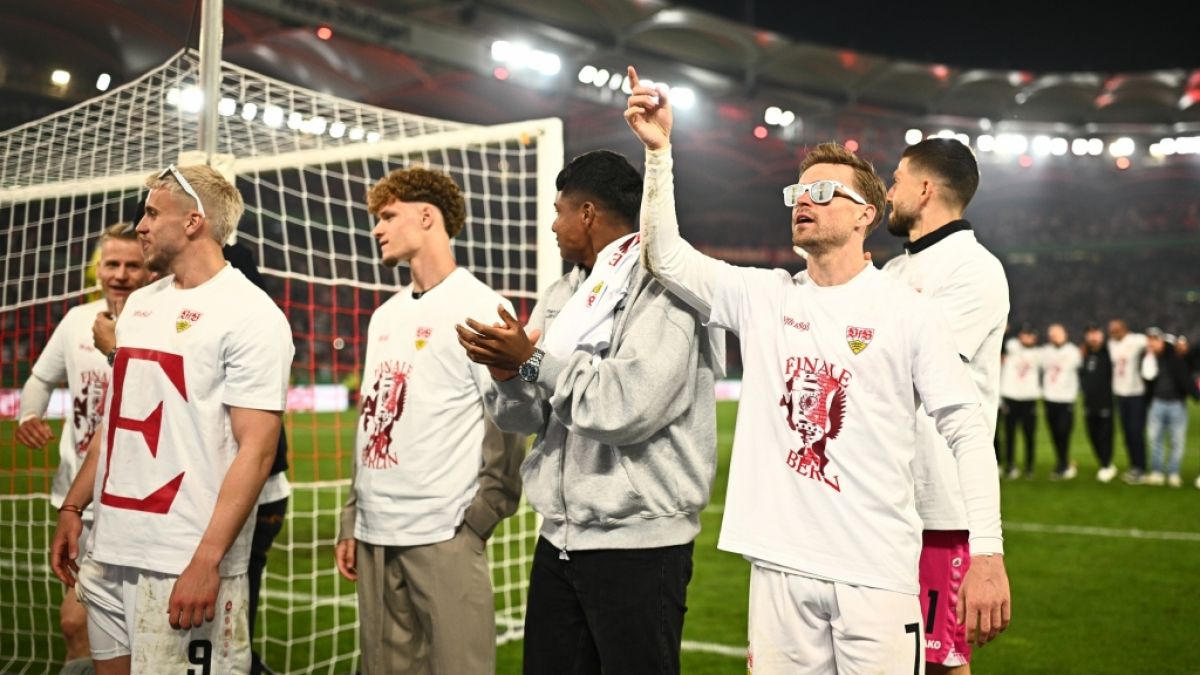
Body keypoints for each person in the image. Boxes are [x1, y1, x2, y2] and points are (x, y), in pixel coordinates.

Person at [623, 66, 1009, 673]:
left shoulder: (909, 313)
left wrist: (986, 554)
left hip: (877, 576)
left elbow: (966, 430)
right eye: (798, 192)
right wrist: (659, 153)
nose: (804, 199)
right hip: (778, 569)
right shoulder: (765, 297)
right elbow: (666, 255)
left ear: (867, 216)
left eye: (824, 192)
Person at [455, 149, 720, 675]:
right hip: (560, 539)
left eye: (559, 210)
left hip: (640, 545)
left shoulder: (665, 287)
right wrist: (509, 376)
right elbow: (527, 420)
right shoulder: (561, 294)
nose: (552, 225)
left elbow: (625, 407)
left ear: (589, 213)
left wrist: (531, 361)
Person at [49, 164, 294, 674]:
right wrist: (74, 507)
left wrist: (207, 561)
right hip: (109, 547)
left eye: (152, 213)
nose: (140, 225)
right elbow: (118, 422)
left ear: (193, 222)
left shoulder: (252, 314)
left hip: (182, 559)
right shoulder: (139, 305)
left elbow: (258, 449)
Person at [333, 167, 524, 675]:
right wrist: (353, 517)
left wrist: (479, 520)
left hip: (443, 534)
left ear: (426, 216)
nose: (377, 228)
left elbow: (508, 426)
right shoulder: (385, 315)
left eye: (388, 216)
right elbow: (372, 421)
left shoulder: (482, 308)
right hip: (375, 535)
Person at [881, 137, 1009, 674]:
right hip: (885, 503)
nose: (888, 193)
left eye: (896, 180)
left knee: (940, 664)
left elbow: (912, 365)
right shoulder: (890, 273)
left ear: (926, 188)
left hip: (938, 510)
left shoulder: (974, 270)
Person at [15, 223, 149, 674]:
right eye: (112, 264)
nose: (121, 274)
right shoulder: (76, 321)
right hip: (80, 501)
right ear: (98, 268)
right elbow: (39, 378)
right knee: (75, 623)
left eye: (133, 265)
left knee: (140, 628)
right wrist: (28, 415)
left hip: (140, 501)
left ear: (149, 269)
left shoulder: (157, 323)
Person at [1140, 328, 1199, 487]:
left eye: (1155, 339)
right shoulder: (1148, 358)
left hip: (1176, 404)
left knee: (1176, 441)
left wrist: (1196, 395)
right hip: (1157, 403)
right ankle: (1157, 472)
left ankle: (1173, 473)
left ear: (1162, 340)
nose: (1152, 343)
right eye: (1149, 340)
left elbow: (1189, 370)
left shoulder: (1175, 356)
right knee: (1154, 440)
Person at [1107, 319, 1148, 483]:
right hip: (1119, 393)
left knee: (1135, 431)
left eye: (1116, 329)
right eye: (1111, 330)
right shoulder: (1111, 343)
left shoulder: (1137, 340)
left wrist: (1178, 343)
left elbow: (1156, 341)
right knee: (1127, 433)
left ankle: (1141, 467)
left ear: (1124, 329)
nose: (1113, 333)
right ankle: (1134, 465)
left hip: (1136, 392)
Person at [999, 324, 1041, 479]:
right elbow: (1001, 344)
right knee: (1009, 435)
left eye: (1030, 335)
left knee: (1029, 435)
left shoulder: (1038, 353)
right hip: (1011, 398)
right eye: (1025, 334)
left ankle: (1029, 467)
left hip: (1029, 399)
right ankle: (1010, 465)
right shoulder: (1012, 347)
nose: (1027, 337)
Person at [1041, 323, 1081, 480]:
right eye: (1052, 334)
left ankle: (1064, 463)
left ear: (1065, 334)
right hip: (1050, 398)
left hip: (1066, 399)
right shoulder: (1045, 352)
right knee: (1054, 433)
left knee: (1064, 432)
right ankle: (1061, 462)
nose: (1055, 337)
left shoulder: (1073, 352)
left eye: (1058, 334)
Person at [1080, 323, 1118, 482]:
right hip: (1088, 403)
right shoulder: (1085, 354)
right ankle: (1104, 463)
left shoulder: (1109, 352)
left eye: (1096, 333)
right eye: (1090, 333)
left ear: (1102, 335)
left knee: (1105, 436)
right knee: (1092, 436)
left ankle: (1106, 464)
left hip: (1105, 402)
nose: (1093, 336)